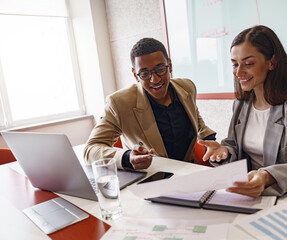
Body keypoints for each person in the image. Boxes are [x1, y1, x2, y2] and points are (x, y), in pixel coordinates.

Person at [199, 25, 287, 197]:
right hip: (250, 196)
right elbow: (234, 146)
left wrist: (266, 176)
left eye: (248, 63)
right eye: (235, 64)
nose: (238, 72)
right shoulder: (240, 105)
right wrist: (224, 152)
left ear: (272, 62)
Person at [84, 38, 216, 170]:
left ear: (169, 65)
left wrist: (211, 140)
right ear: (135, 75)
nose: (155, 79)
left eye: (160, 69)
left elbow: (197, 121)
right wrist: (127, 157)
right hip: (151, 179)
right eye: (145, 73)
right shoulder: (119, 103)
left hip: (190, 172)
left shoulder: (187, 87)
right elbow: (91, 150)